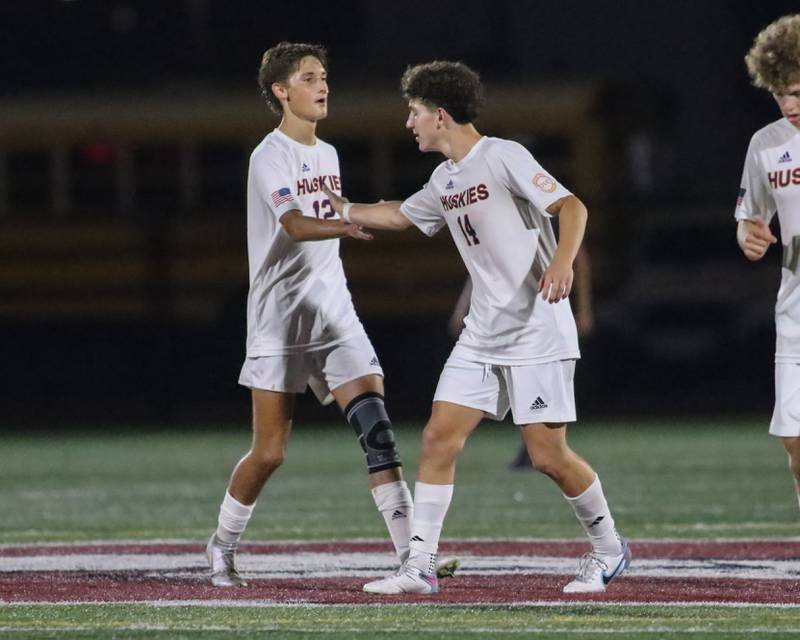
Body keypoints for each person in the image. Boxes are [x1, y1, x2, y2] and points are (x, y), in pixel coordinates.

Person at [323, 60, 630, 595]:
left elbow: (572, 206)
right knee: (439, 437)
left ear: (439, 115)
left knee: (547, 457)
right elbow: (400, 215)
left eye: (414, 112)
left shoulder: (502, 156)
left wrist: (562, 262)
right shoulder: (445, 179)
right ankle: (419, 567)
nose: (409, 123)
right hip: (483, 334)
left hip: (537, 331)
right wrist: (343, 208)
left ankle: (609, 549)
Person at [205, 42, 436, 587]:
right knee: (269, 453)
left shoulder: (327, 154)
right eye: (309, 78)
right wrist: (348, 224)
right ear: (281, 91)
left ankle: (413, 560)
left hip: (334, 314)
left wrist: (368, 213)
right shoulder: (270, 155)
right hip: (279, 322)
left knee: (378, 431)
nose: (322, 85)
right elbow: (294, 224)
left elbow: (329, 215)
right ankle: (222, 544)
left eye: (325, 76)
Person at [449, 246, 595, 470]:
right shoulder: (491, 216)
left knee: (549, 445)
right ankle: (531, 446)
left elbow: (579, 258)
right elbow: (481, 266)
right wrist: (462, 308)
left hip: (543, 315)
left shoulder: (541, 213)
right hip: (505, 317)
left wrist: (584, 309)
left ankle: (541, 447)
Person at [736, 14, 800, 513]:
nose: (789, 104)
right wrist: (749, 235)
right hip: (794, 309)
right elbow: (750, 218)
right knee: (795, 443)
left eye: (797, 91)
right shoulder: (766, 145)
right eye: (779, 93)